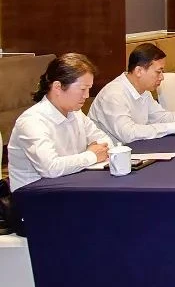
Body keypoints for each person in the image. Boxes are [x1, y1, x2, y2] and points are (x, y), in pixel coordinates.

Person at [6, 54, 111, 191]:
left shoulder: (75, 112)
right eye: (82, 89)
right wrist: (90, 156)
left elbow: (105, 141)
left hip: (71, 184)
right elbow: (51, 168)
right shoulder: (32, 121)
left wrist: (93, 153)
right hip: (36, 193)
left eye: (89, 89)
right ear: (57, 87)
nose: (86, 95)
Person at [88, 43, 175, 144]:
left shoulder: (144, 90)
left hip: (136, 147)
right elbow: (128, 134)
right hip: (111, 153)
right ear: (139, 71)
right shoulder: (113, 94)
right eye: (158, 72)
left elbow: (160, 117)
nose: (162, 77)